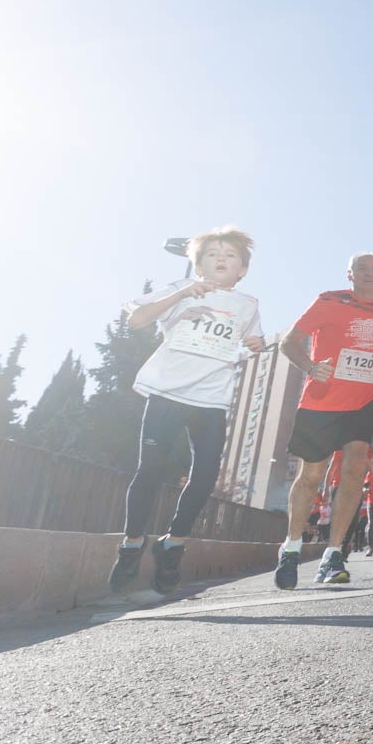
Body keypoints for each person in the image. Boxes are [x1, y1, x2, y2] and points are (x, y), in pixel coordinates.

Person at [108, 227, 265, 595]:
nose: (221, 259)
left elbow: (249, 341)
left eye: (230, 255)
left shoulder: (248, 304)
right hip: (167, 393)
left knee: (206, 473)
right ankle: (132, 545)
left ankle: (173, 542)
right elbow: (136, 319)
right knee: (150, 470)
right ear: (198, 264)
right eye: (211, 254)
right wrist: (183, 294)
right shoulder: (178, 291)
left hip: (211, 399)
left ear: (242, 269)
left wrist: (254, 343)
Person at [276, 252, 373, 586]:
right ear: (350, 274)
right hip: (322, 400)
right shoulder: (328, 301)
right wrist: (310, 367)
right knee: (311, 475)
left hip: (364, 401)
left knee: (355, 468)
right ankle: (291, 547)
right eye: (362, 268)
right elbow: (288, 343)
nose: (370, 273)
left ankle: (334, 555)